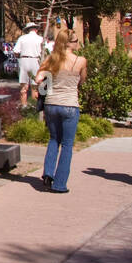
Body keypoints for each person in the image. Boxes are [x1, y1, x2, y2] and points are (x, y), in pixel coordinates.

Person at [35, 29, 87, 193]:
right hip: (70, 104)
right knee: (67, 145)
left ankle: (48, 174)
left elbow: (38, 79)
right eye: (76, 40)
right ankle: (60, 184)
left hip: (51, 104)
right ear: (70, 43)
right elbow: (82, 81)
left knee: (53, 139)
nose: (78, 43)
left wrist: (48, 80)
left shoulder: (52, 59)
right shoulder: (80, 60)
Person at [12, 22, 45, 107]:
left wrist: (19, 58)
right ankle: (34, 107)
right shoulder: (41, 39)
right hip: (36, 61)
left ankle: (24, 106)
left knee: (23, 87)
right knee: (35, 87)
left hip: (24, 60)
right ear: (36, 30)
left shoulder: (22, 38)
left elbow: (16, 51)